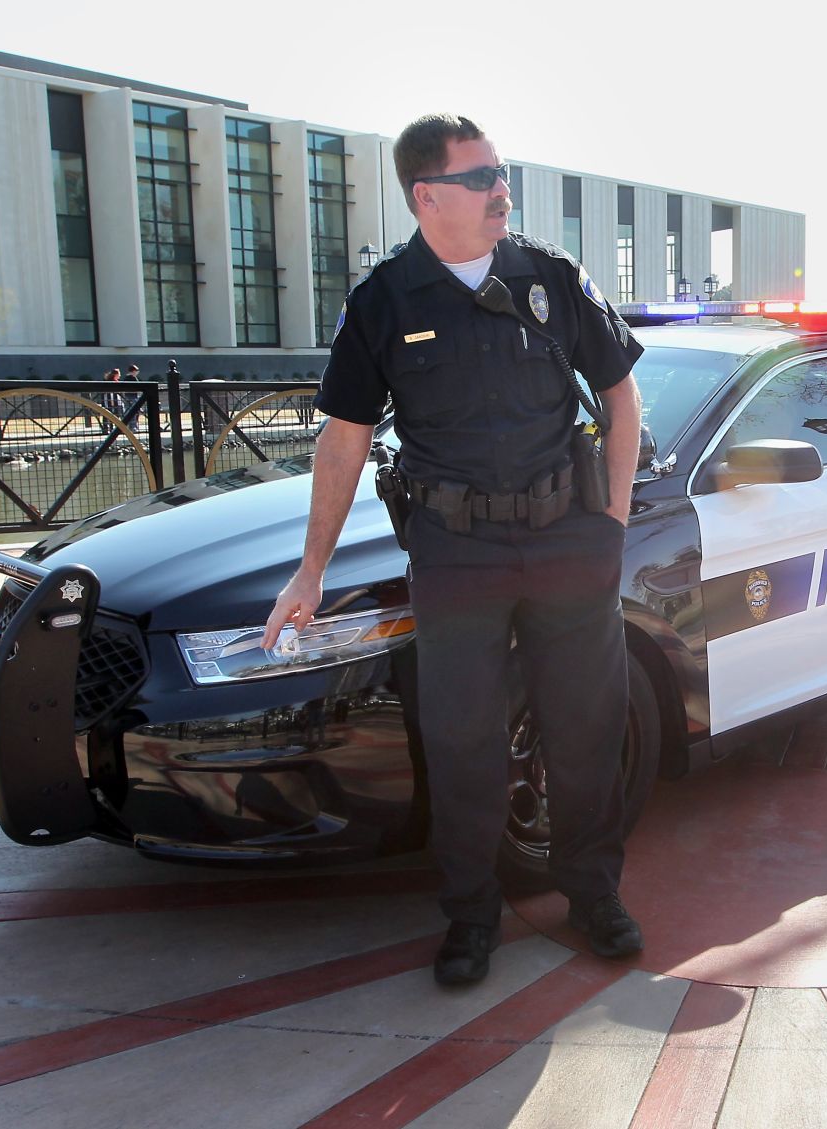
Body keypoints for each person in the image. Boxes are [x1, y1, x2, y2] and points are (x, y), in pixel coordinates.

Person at [262, 114, 645, 987]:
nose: (501, 189)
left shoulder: (549, 276)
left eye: (501, 173)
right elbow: (343, 440)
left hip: (564, 541)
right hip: (457, 554)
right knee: (463, 743)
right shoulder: (384, 300)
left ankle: (594, 894)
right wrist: (310, 567)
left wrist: (613, 520)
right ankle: (471, 917)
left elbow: (621, 396)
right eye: (481, 178)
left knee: (586, 732)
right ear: (426, 195)